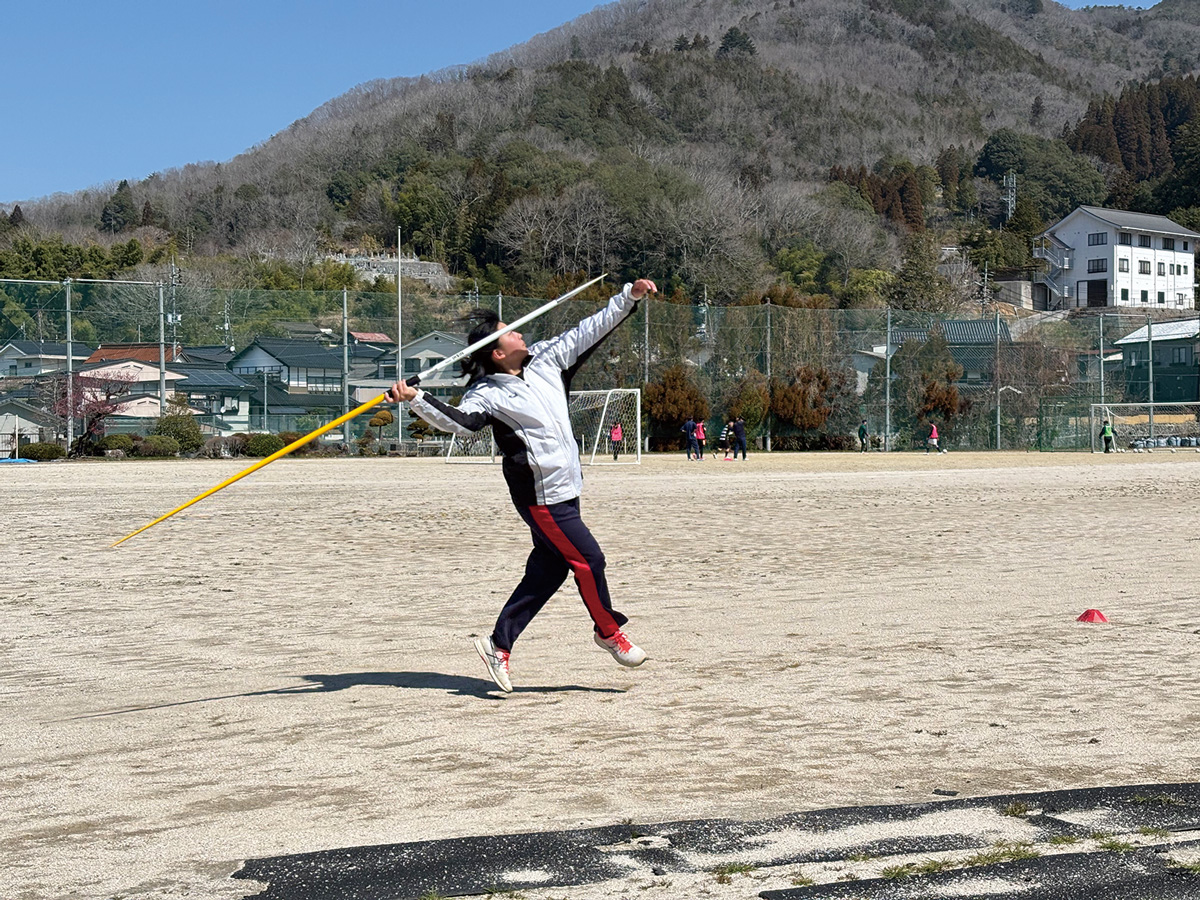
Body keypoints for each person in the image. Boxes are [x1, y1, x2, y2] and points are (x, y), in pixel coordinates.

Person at [386, 279, 657, 693]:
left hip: (567, 488)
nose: (520, 332)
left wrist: (628, 298)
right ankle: (608, 632)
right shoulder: (486, 394)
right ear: (497, 352)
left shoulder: (548, 358)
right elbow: (461, 424)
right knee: (589, 559)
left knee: (548, 572)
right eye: (510, 331)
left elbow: (590, 328)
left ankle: (498, 644)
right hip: (540, 498)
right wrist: (416, 399)